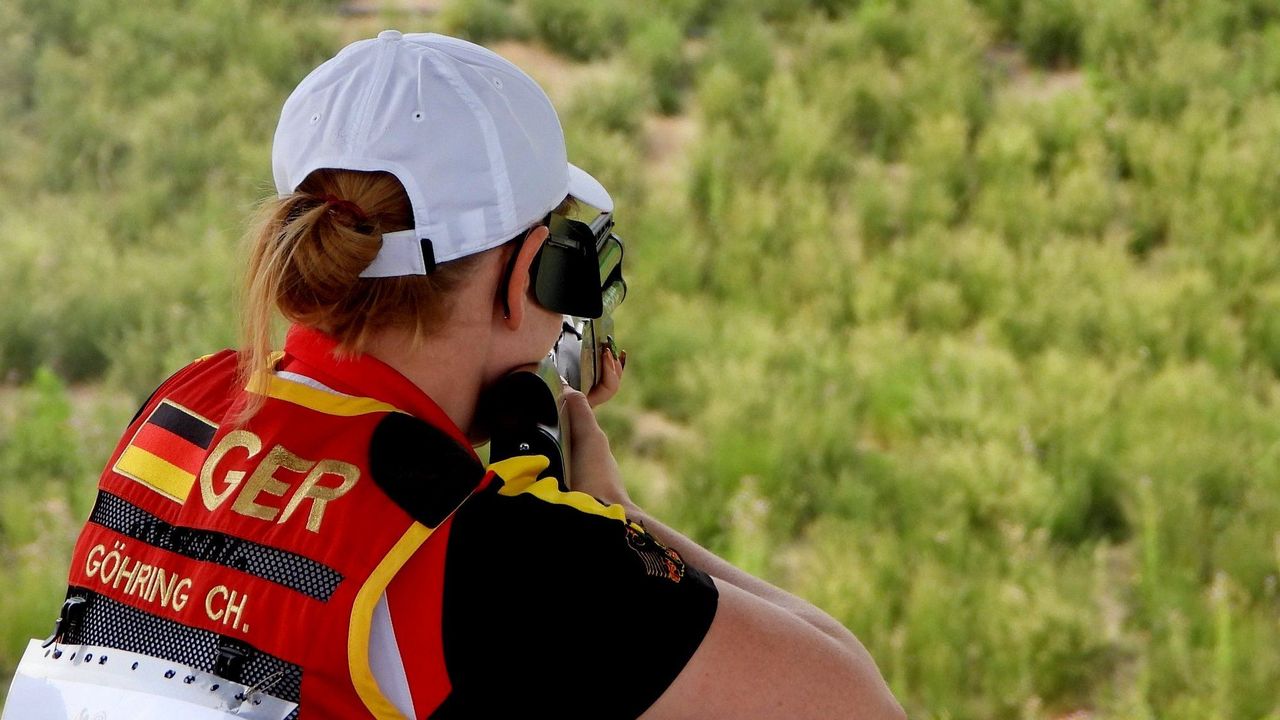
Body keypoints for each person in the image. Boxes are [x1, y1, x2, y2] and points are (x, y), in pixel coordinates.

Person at [36, 31, 904, 719]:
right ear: (528, 269)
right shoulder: (506, 556)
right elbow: (850, 696)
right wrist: (619, 524)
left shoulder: (180, 411)